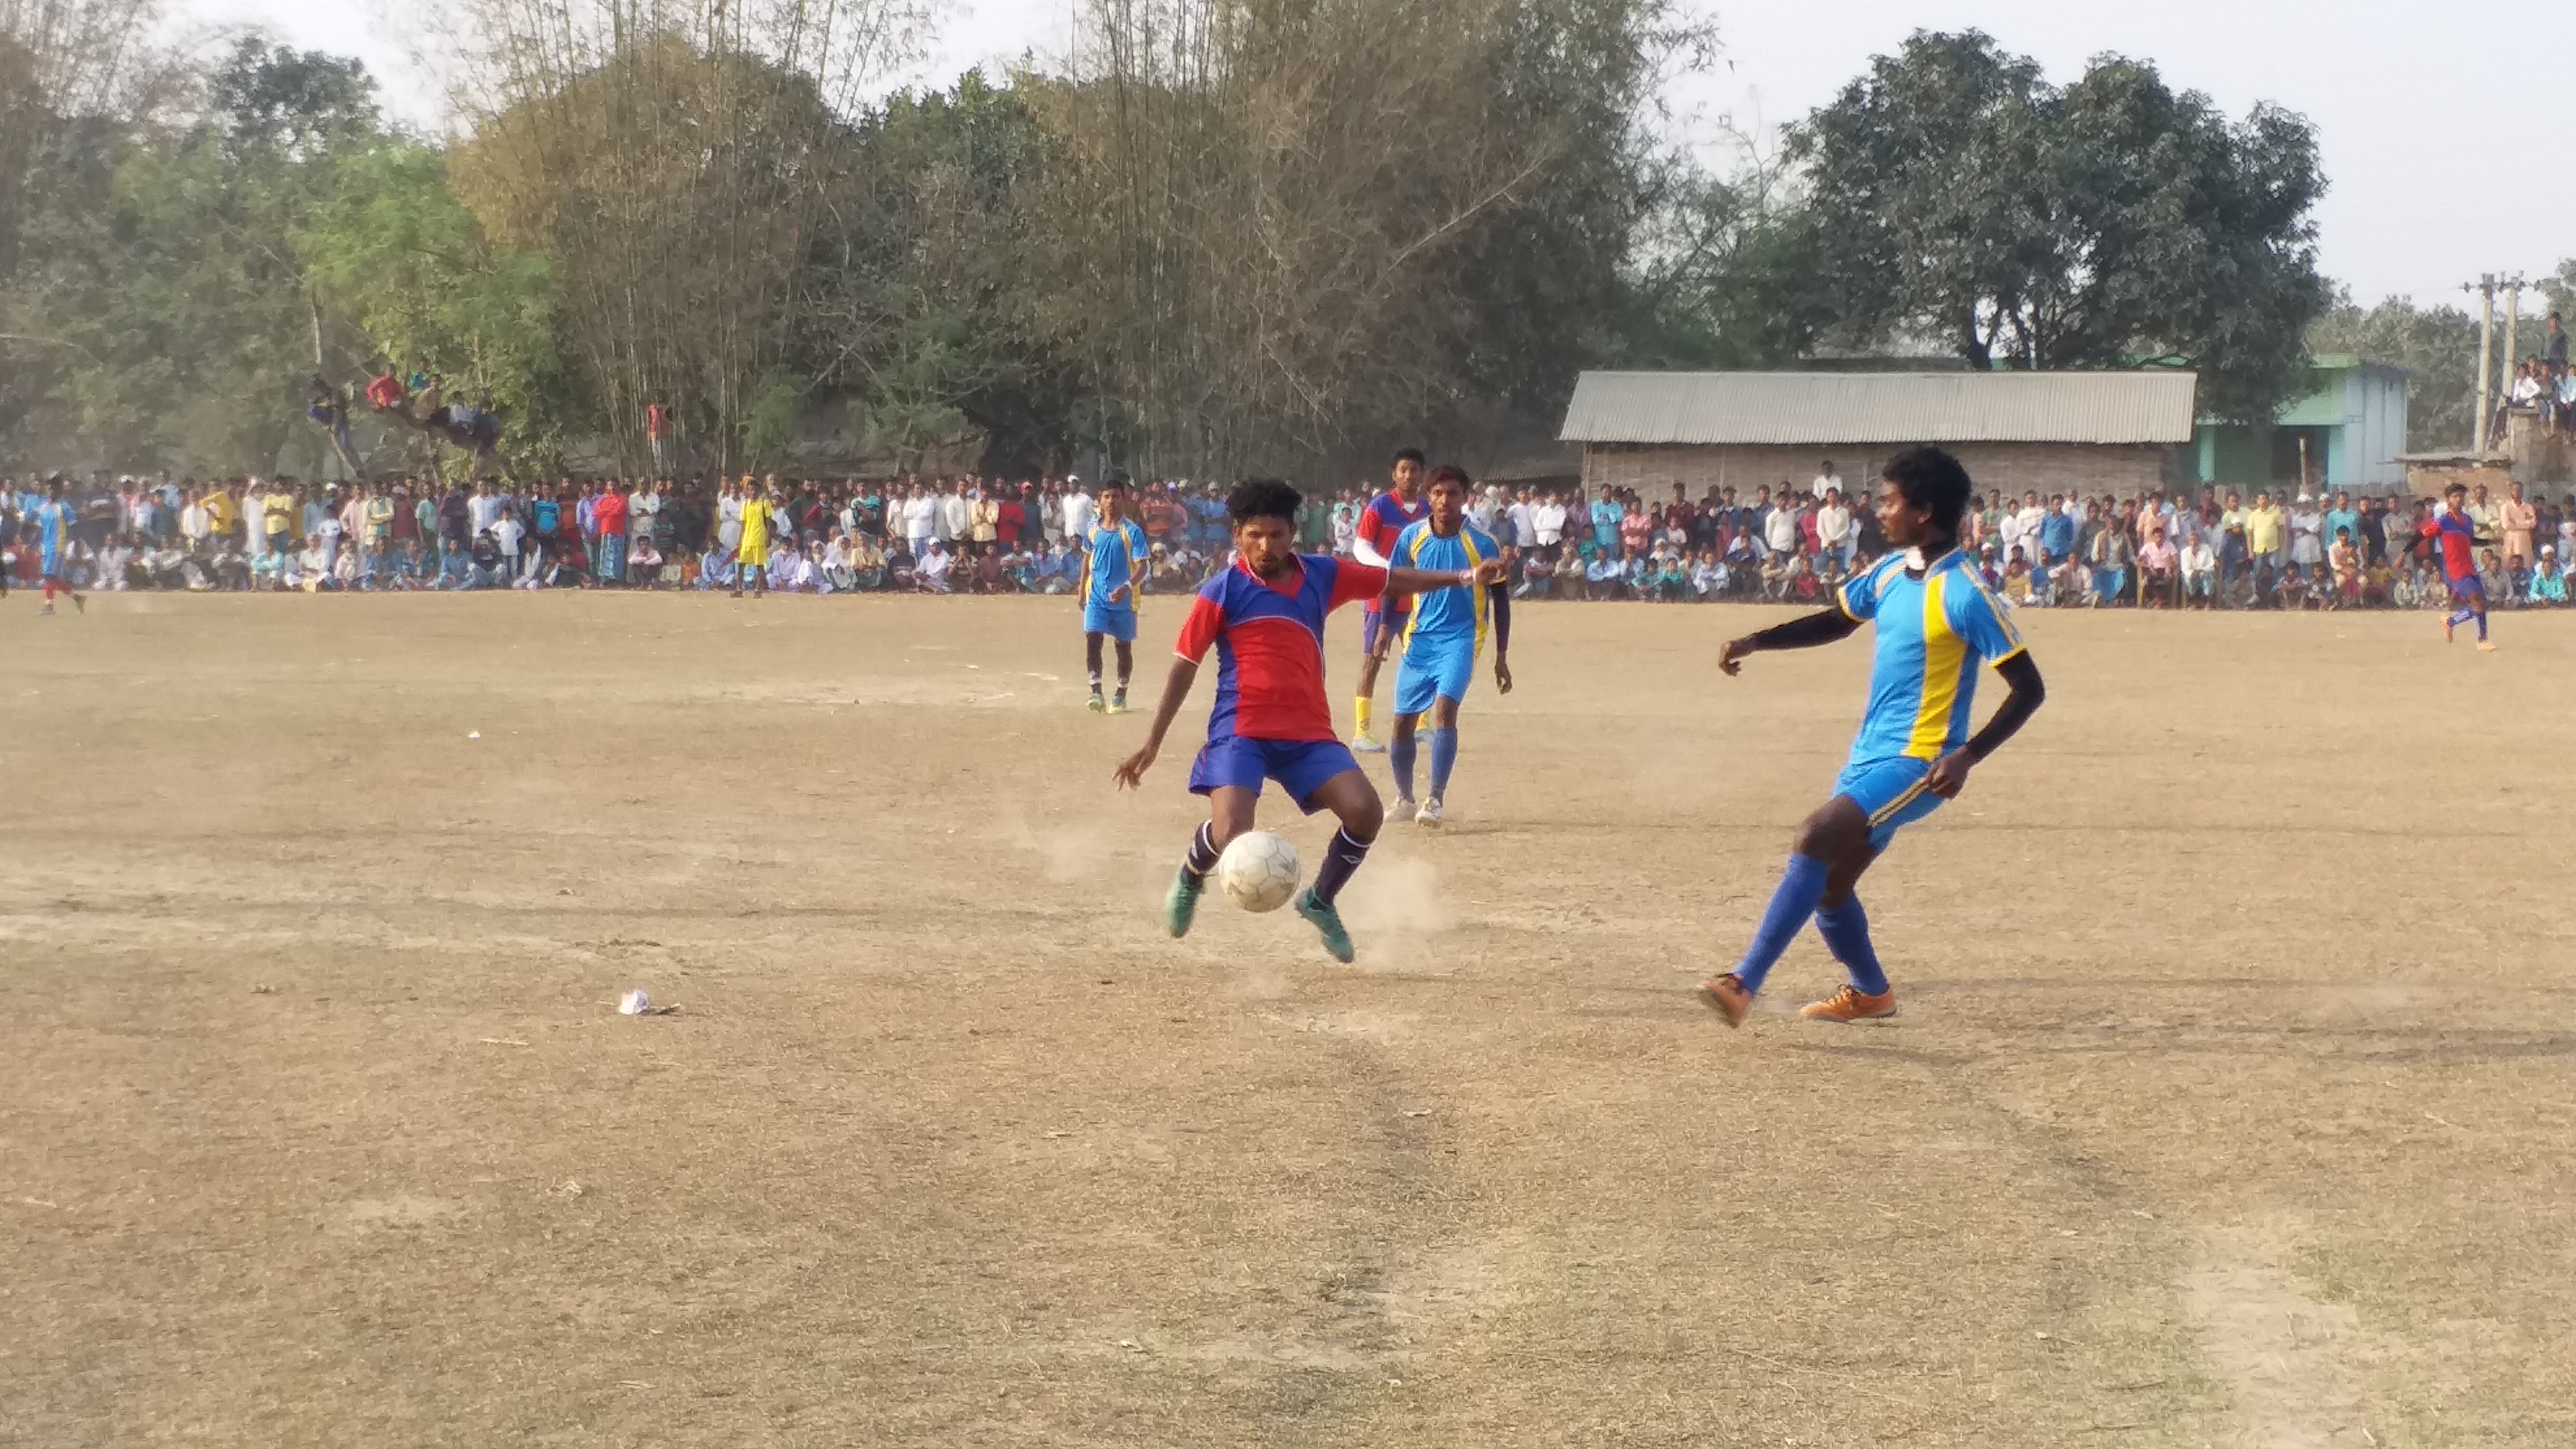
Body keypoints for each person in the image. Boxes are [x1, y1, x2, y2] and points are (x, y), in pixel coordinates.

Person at [1698, 446, 2047, 1027]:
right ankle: (1871, 993)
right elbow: (1836, 621)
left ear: (1924, 511)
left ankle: (1742, 983)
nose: (1877, 510)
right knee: (1831, 886)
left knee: (1815, 835)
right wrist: (1757, 641)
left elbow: (2028, 688)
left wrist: (1967, 756)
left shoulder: (1963, 591)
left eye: (1889, 501)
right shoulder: (1888, 573)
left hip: (1921, 763)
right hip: (1867, 757)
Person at [1112, 478, 1505, 964]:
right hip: (1242, 729)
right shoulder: (1222, 591)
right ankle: (1192, 876)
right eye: (1255, 535)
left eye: (1276, 535)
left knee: (1365, 812)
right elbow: (1183, 666)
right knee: (1234, 828)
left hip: (1308, 732)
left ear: (1291, 534)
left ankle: (1320, 899)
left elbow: (1393, 580)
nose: (1266, 546)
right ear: (1237, 535)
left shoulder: (1321, 575)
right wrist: (1152, 744)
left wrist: (1467, 577)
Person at [1384, 465, 1514, 826]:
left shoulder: (1483, 544)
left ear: (1465, 497)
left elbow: (1501, 601)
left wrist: (1501, 655)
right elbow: (1394, 585)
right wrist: (1384, 628)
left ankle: (1435, 799)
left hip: (1462, 638)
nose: (1445, 501)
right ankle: (1405, 798)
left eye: (1453, 494)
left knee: (1444, 711)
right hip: (1420, 639)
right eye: (1438, 494)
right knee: (1401, 724)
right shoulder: (1412, 538)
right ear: (1429, 497)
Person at [1348, 448, 1431, 753]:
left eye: (1414, 470)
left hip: (1417, 600)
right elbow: (1361, 547)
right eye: (1403, 470)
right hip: (1381, 597)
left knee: (1422, 659)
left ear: (1422, 474)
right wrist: (1390, 571)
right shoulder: (1380, 506)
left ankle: (1423, 723)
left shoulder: (1427, 509)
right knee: (1372, 661)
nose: (1409, 476)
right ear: (1394, 474)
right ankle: (1362, 731)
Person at [1081, 477, 1149, 713]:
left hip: (1125, 599)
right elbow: (1086, 560)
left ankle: (1121, 693)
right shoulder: (1092, 528)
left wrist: (1127, 587)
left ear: (1124, 499)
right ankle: (1096, 692)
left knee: (1123, 647)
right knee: (1093, 639)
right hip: (1096, 596)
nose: (1111, 501)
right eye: (1106, 497)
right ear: (1099, 500)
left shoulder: (1132, 531)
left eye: (1116, 496)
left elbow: (1143, 567)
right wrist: (1081, 592)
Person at [2421, 482, 2494, 650]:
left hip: (2469, 566)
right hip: (2455, 569)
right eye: (2455, 496)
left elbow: (2471, 540)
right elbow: (2424, 535)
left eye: (2462, 496)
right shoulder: (2444, 521)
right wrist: (2405, 552)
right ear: (2448, 501)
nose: (2459, 499)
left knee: (2482, 603)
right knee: (2476, 602)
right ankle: (2481, 640)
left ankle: (2454, 623)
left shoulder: (2468, 520)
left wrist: (2491, 541)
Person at [32, 482, 85, 614]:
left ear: (59, 491)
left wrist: (77, 545)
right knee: (52, 577)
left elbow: (74, 527)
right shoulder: (44, 507)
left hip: (58, 546)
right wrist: (31, 543)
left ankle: (49, 605)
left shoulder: (64, 507)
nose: (50, 492)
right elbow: (40, 528)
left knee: (49, 575)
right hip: (46, 546)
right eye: (49, 489)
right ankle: (77, 598)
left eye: (53, 489)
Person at [734, 480, 777, 599]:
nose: (753, 492)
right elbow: (743, 525)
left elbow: (769, 523)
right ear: (747, 491)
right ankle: (739, 589)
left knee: (760, 565)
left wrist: (768, 538)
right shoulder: (745, 504)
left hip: (759, 538)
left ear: (759, 490)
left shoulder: (764, 504)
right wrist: (740, 540)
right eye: (750, 490)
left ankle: (758, 590)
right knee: (741, 564)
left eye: (755, 490)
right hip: (748, 538)